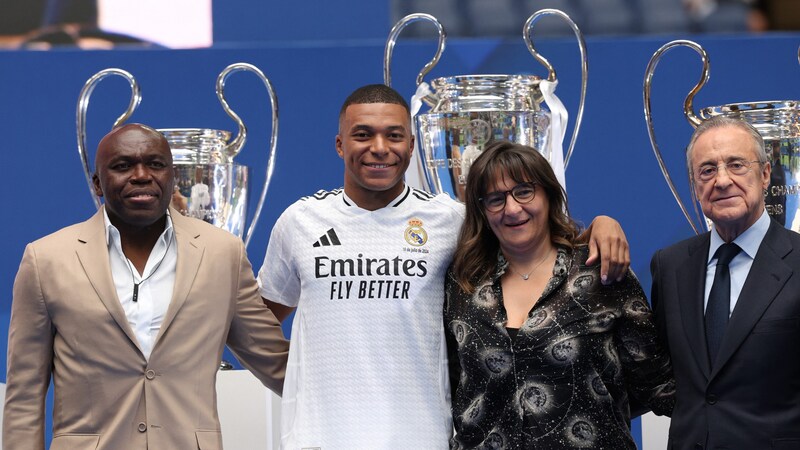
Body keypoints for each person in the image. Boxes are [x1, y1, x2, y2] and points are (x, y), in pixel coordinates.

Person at [257, 84, 631, 449]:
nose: (379, 148)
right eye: (362, 135)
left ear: (412, 146)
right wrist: (296, 381)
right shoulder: (300, 222)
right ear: (340, 144)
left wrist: (600, 225)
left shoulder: (452, 221)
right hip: (320, 437)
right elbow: (259, 320)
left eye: (394, 135)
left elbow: (533, 245)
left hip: (421, 437)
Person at [3, 123, 289, 449]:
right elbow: (25, 393)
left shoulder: (223, 252)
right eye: (123, 166)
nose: (141, 175)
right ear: (97, 182)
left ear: (172, 176)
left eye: (155, 164)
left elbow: (276, 362)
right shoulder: (46, 259)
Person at [444, 140, 674, 449]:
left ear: (549, 195)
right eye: (495, 199)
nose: (512, 209)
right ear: (482, 211)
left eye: (524, 191)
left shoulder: (598, 272)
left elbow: (656, 385)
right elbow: (450, 388)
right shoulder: (463, 285)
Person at [651, 115, 800, 449]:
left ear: (765, 175)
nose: (721, 181)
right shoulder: (670, 265)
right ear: (694, 185)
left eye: (736, 165)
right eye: (707, 170)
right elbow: (659, 375)